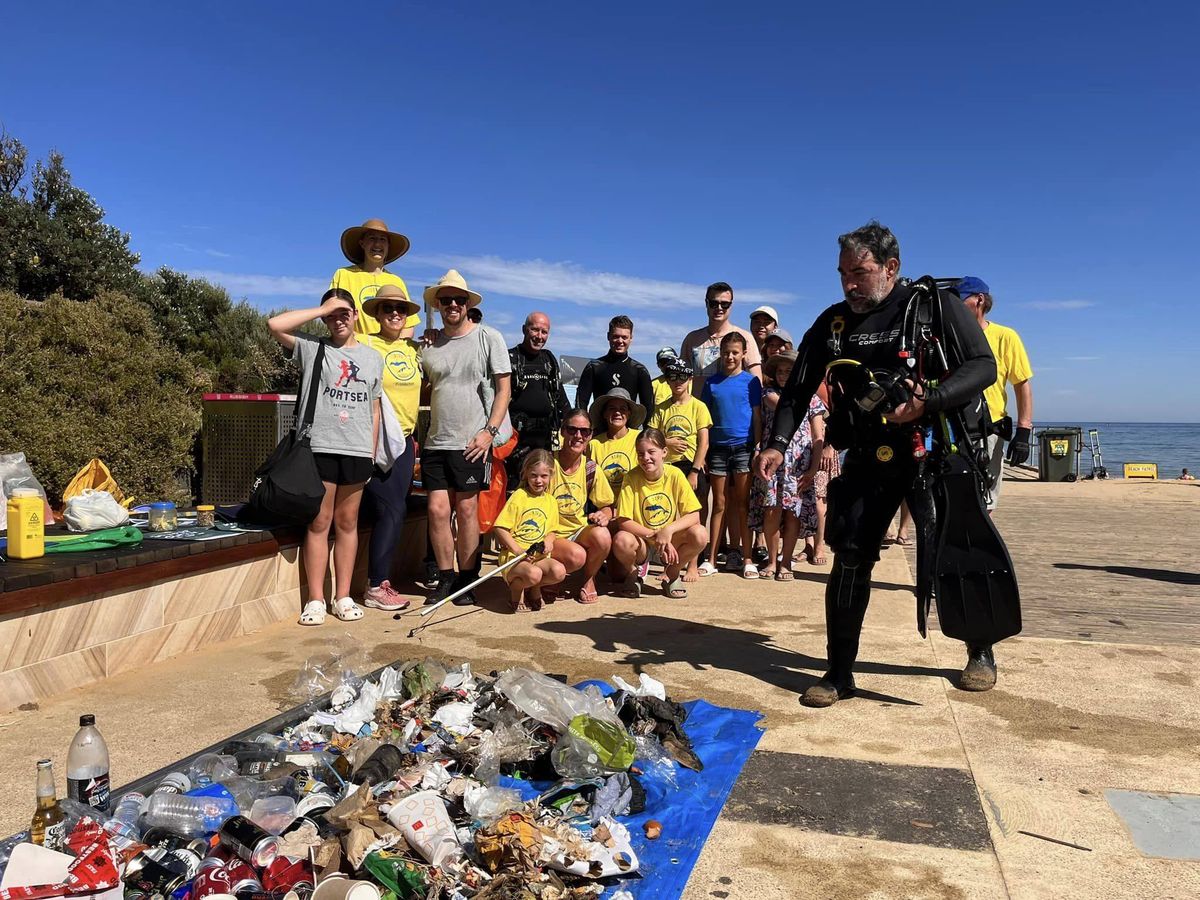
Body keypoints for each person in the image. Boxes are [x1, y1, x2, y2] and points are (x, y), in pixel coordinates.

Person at [757, 221, 1003, 707]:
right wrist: (778, 444)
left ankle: (980, 651)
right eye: (843, 273)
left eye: (860, 272)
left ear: (891, 268)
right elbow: (799, 387)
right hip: (871, 454)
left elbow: (983, 367)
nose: (849, 284)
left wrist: (928, 400)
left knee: (958, 551)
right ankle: (839, 672)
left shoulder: (932, 306)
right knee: (849, 555)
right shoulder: (833, 323)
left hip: (934, 450)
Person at [267, 289, 383, 626]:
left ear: (356, 314)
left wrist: (372, 452)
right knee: (319, 523)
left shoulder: (373, 357)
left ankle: (343, 595)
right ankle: (315, 599)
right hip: (318, 447)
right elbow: (274, 324)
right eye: (332, 314)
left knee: (348, 525)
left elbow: (374, 408)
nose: (339, 319)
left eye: (344, 311)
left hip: (357, 450)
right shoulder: (312, 347)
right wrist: (322, 308)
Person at [420, 269, 512, 608]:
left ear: (467, 303)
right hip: (435, 440)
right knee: (437, 509)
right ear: (439, 305)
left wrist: (489, 432)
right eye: (446, 300)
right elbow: (422, 385)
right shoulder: (429, 345)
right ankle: (446, 578)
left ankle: (467, 577)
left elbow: (504, 389)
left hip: (472, 441)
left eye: (459, 300)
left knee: (468, 509)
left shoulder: (488, 337)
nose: (452, 305)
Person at [360, 285, 423, 611]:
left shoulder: (412, 349)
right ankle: (375, 585)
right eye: (387, 308)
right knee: (391, 510)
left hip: (406, 442)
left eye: (400, 308)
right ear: (377, 313)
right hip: (379, 440)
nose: (395, 314)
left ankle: (380, 581)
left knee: (395, 510)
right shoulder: (366, 343)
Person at [956, 276, 1035, 511]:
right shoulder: (951, 338)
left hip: (989, 428)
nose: (956, 308)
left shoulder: (1005, 337)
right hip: (954, 427)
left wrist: (1023, 432)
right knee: (955, 493)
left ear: (980, 300)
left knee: (986, 499)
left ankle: (979, 544)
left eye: (961, 301)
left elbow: (1022, 384)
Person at [749, 350, 824, 580]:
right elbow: (780, 407)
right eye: (779, 371)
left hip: (799, 464)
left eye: (789, 371)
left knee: (793, 513)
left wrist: (814, 467)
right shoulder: (769, 394)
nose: (783, 375)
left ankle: (787, 561)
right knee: (772, 511)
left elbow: (817, 435)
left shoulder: (813, 399)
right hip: (774, 462)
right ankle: (772, 560)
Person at [611, 429, 708, 599]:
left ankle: (672, 572)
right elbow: (623, 521)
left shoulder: (675, 474)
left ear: (664, 452)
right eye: (641, 453)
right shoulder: (631, 477)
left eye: (651, 452)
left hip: (669, 543)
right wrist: (655, 536)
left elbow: (694, 515)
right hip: (643, 541)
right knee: (621, 539)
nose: (645, 458)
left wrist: (668, 531)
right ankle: (634, 572)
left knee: (699, 534)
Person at [700, 332, 762, 578]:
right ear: (720, 354)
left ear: (743, 354)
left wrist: (757, 447)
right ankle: (712, 559)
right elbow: (704, 420)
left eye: (735, 352)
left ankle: (747, 558)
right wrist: (703, 452)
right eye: (726, 352)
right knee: (720, 504)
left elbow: (757, 416)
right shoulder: (711, 383)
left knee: (742, 504)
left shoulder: (751, 382)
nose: (730, 357)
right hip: (717, 448)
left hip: (743, 448)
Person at [648, 359, 712, 581]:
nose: (677, 382)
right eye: (672, 377)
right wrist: (668, 442)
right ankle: (668, 564)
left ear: (690, 379)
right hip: (666, 467)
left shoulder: (698, 406)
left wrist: (695, 470)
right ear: (667, 381)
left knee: (694, 516)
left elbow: (704, 441)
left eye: (682, 377)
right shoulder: (662, 408)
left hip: (690, 465)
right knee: (670, 515)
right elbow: (652, 438)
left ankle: (692, 565)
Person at [549, 409, 616, 604]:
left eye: (584, 431)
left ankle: (588, 579)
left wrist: (604, 515)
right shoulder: (546, 463)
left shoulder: (591, 468)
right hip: (549, 534)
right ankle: (552, 576)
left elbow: (608, 505)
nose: (578, 436)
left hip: (577, 532)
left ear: (591, 435)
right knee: (576, 556)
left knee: (602, 536)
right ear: (562, 431)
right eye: (572, 430)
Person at [492, 450, 565, 612]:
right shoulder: (519, 496)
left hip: (538, 557)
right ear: (526, 474)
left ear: (551, 476)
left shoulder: (551, 501)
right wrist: (518, 551)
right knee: (533, 574)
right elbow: (500, 528)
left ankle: (534, 588)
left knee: (559, 571)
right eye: (534, 475)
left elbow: (552, 530)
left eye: (544, 476)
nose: (538, 481)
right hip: (514, 557)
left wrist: (549, 541)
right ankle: (516, 593)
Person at [330, 219, 419, 339]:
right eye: (372, 238)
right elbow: (334, 314)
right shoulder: (344, 274)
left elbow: (408, 325)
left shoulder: (397, 281)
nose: (377, 244)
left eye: (382, 239)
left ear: (388, 245)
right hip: (354, 349)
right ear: (362, 243)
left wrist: (391, 349)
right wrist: (360, 344)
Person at [507, 312, 570, 480]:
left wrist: (571, 425)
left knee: (542, 484)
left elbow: (560, 398)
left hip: (545, 439)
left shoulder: (548, 360)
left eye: (544, 332)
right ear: (524, 330)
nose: (539, 336)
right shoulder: (510, 358)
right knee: (516, 487)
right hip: (516, 439)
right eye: (535, 330)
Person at [680, 282, 762, 395]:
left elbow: (756, 383)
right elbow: (681, 379)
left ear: (731, 306)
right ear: (706, 303)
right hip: (700, 410)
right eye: (714, 303)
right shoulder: (692, 339)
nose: (719, 308)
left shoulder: (746, 338)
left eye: (724, 304)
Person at [575, 316, 655, 413]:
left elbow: (648, 408)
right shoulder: (594, 367)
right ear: (608, 336)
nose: (620, 341)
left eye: (624, 337)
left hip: (628, 427)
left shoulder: (639, 370)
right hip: (599, 427)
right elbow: (581, 403)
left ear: (631, 338)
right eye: (616, 336)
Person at [587, 388, 644, 493]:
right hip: (603, 507)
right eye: (612, 408)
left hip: (633, 505)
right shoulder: (594, 444)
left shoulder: (640, 438)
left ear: (629, 414)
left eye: (622, 409)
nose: (617, 412)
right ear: (604, 414)